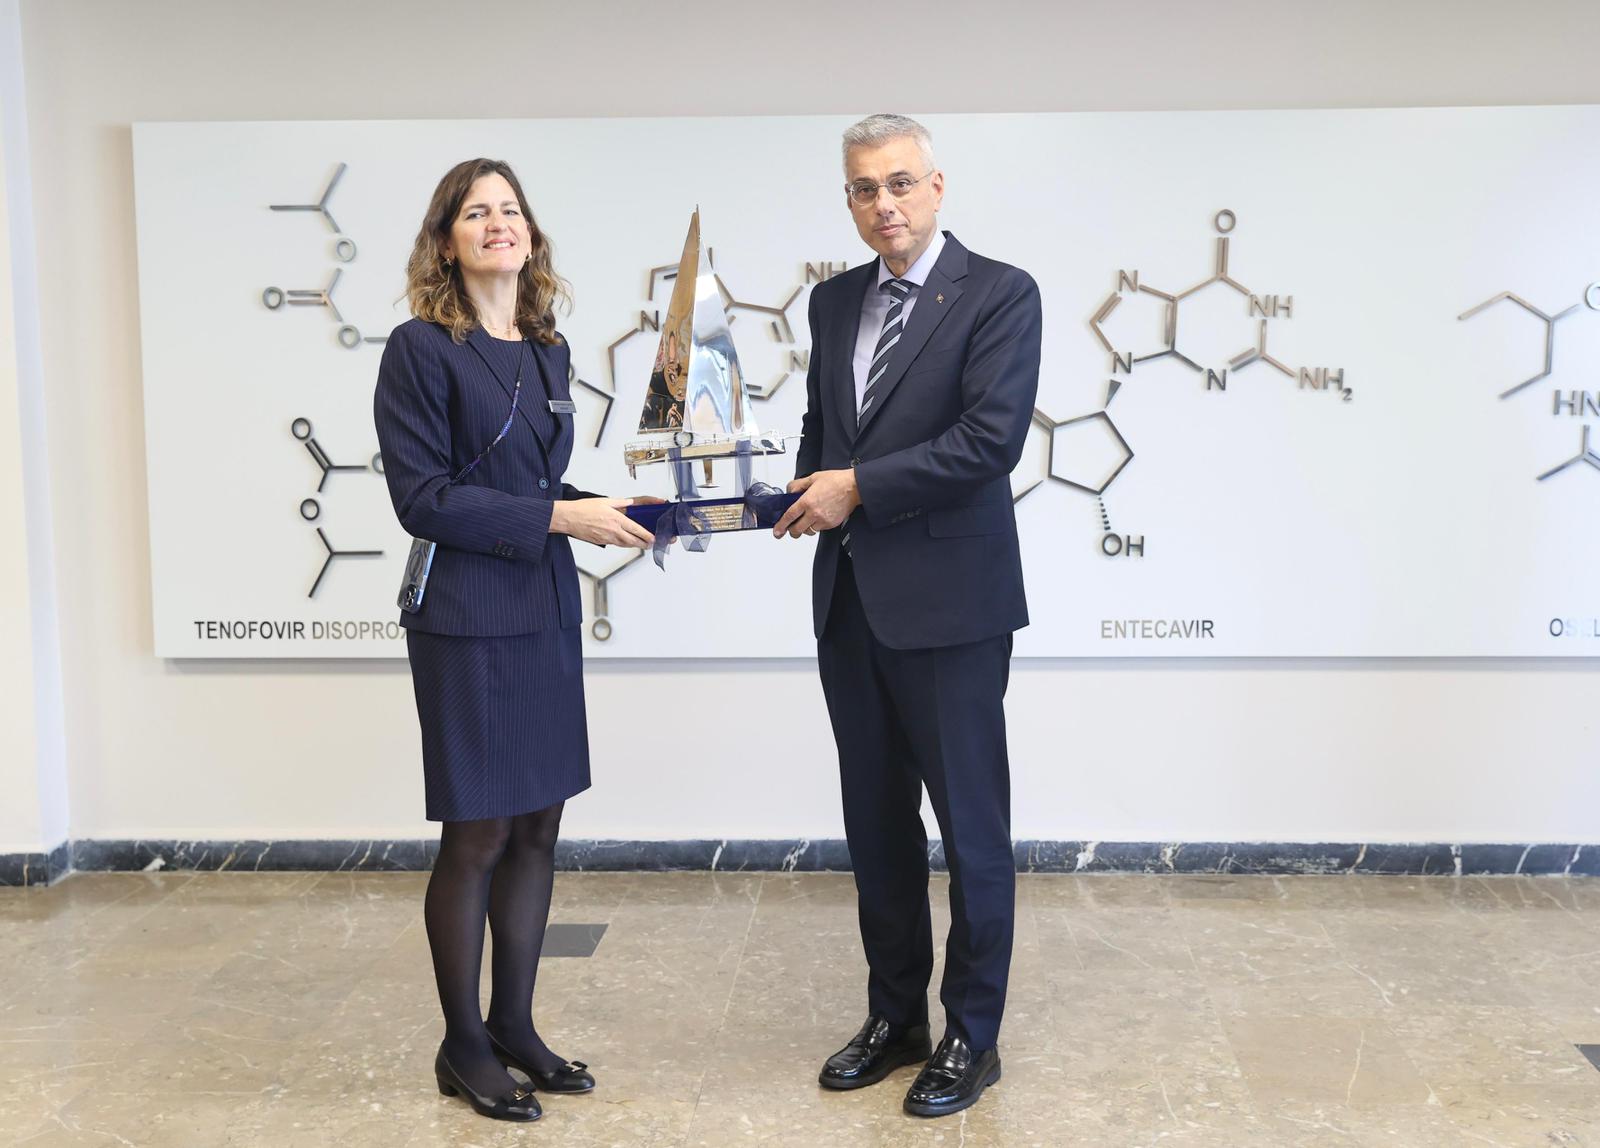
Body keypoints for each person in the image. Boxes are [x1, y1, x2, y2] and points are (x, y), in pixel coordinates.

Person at [373, 158, 657, 1123]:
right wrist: (561, 520)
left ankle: (515, 1026)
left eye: (510, 209)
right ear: (446, 241)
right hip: (465, 616)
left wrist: (604, 509)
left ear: (530, 234)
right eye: (475, 212)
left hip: (541, 604)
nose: (497, 223)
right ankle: (462, 1044)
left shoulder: (547, 348)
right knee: (481, 831)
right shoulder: (420, 349)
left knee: (539, 824)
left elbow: (535, 486)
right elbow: (424, 498)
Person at [773, 114, 1042, 1118]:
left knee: (970, 828)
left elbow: (988, 440)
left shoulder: (1000, 293)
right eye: (862, 188)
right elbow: (827, 428)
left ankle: (973, 1032)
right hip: (850, 599)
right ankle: (897, 1018)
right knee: (876, 825)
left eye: (897, 182)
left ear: (936, 185)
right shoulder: (834, 300)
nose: (881, 203)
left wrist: (855, 488)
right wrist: (794, 490)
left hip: (953, 604)